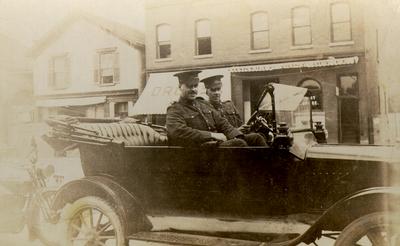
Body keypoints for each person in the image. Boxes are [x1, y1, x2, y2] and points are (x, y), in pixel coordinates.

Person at [166, 70, 248, 147]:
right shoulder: (174, 109)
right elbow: (179, 132)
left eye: (195, 86)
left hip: (216, 145)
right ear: (180, 86)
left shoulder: (203, 103)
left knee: (255, 138)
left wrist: (237, 135)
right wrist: (212, 135)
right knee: (239, 144)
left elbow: (223, 123)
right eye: (189, 86)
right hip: (200, 150)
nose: (194, 89)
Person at [201, 75, 267, 146]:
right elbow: (212, 132)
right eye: (213, 90)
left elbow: (240, 124)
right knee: (240, 143)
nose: (217, 93)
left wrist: (250, 126)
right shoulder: (205, 109)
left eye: (218, 89)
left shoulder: (229, 105)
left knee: (257, 137)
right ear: (207, 92)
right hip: (223, 141)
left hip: (237, 136)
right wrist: (237, 130)